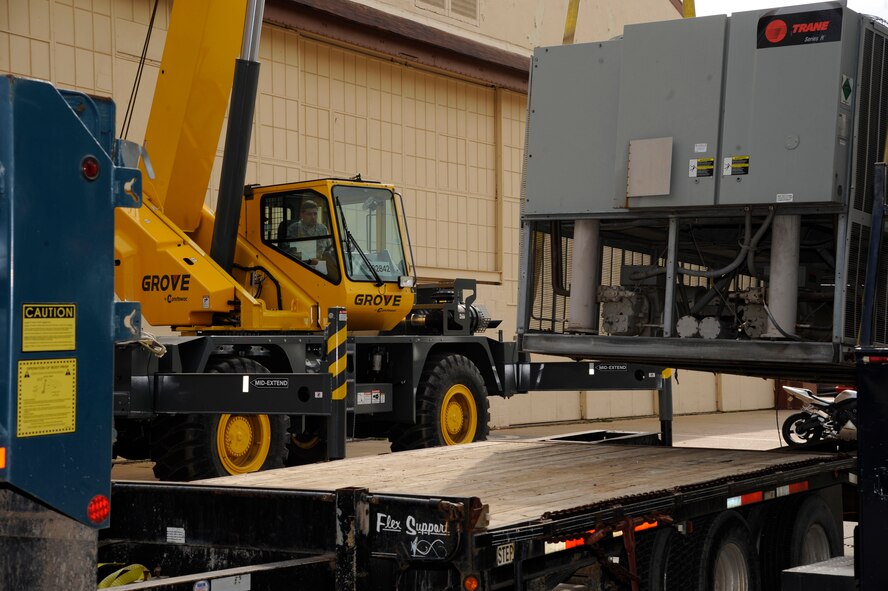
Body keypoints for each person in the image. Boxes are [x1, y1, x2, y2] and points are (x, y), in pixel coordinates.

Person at [287, 199, 331, 266]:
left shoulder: (323, 229)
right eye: (309, 214)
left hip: (322, 266)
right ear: (302, 214)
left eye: (315, 214)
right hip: (302, 266)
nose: (313, 217)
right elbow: (289, 252)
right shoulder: (294, 229)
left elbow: (329, 248)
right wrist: (310, 261)